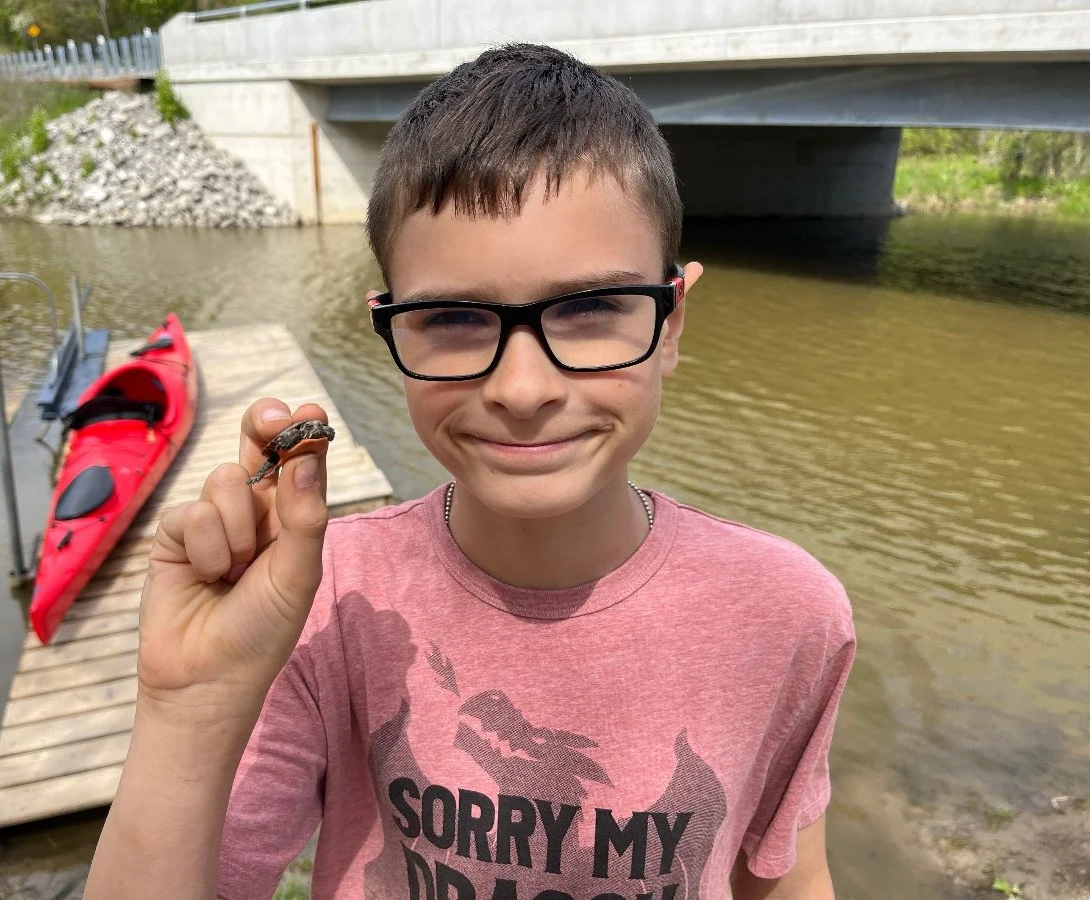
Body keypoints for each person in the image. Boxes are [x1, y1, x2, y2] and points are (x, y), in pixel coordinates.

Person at [84, 42, 855, 900]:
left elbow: (790, 879)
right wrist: (189, 710)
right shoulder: (322, 602)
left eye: (593, 307)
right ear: (391, 325)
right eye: (452, 319)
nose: (522, 390)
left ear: (670, 322)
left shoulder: (787, 613)